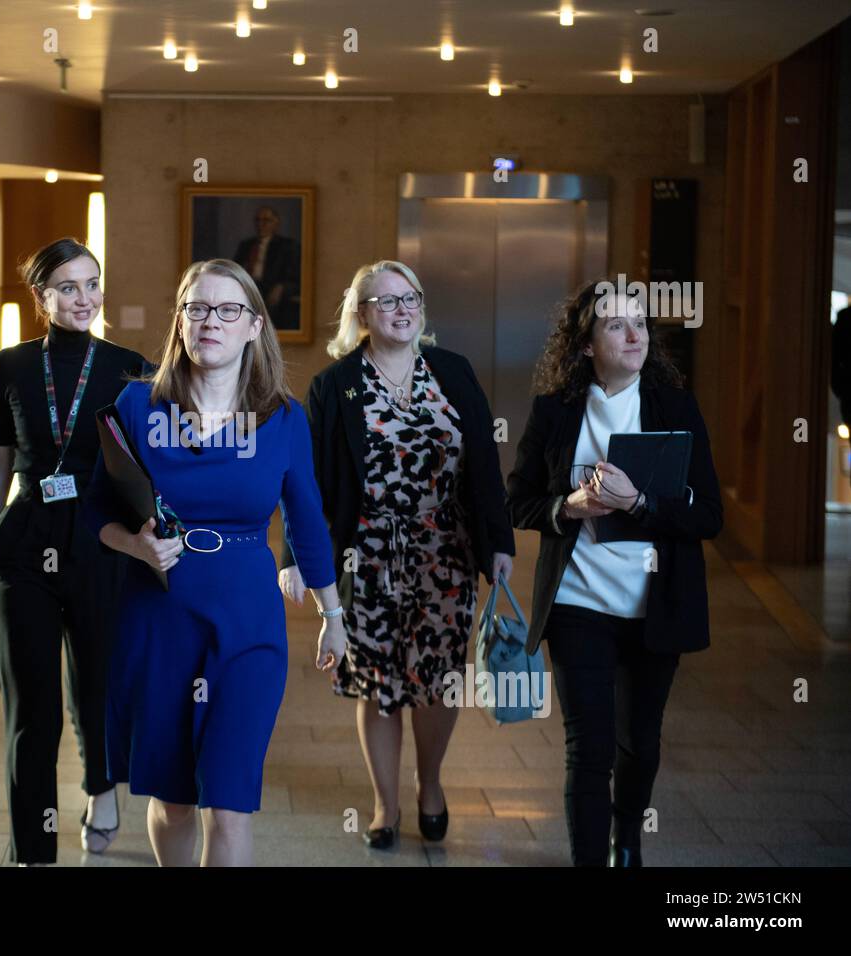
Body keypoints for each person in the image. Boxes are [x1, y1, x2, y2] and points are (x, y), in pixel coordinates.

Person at [84, 258, 346, 867]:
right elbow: (95, 510)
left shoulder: (283, 417)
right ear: (179, 320)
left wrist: (334, 613)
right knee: (174, 800)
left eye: (228, 310)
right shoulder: (136, 405)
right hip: (158, 613)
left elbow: (307, 521)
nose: (210, 322)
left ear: (254, 326)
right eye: (196, 307)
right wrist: (135, 545)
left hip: (248, 620)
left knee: (228, 803)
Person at [278, 260, 514, 848]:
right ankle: (384, 804)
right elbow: (309, 484)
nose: (402, 309)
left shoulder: (453, 373)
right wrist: (297, 559)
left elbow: (485, 465)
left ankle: (429, 784)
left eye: (410, 298)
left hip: (448, 555)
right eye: (386, 302)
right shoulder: (336, 386)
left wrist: (500, 543)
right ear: (361, 314)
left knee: (437, 681)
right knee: (377, 681)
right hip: (368, 557)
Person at [506, 278, 722, 867]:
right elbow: (518, 500)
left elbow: (709, 515)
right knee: (588, 750)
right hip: (578, 601)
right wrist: (568, 507)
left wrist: (639, 504)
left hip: (655, 606)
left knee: (640, 745)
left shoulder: (676, 408)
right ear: (584, 345)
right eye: (615, 325)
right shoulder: (555, 411)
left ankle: (626, 835)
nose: (634, 335)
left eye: (640, 324)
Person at [0, 238, 146, 865]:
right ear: (43, 297)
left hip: (104, 542)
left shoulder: (130, 367)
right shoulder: (13, 365)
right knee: (31, 707)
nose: (85, 298)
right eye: (69, 287)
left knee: (96, 685)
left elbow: (144, 467)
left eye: (93, 284)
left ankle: (101, 786)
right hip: (24, 543)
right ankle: (33, 852)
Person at [232, 206, 300, 331]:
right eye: (258, 220)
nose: (261, 224)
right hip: (250, 287)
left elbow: (295, 276)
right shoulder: (246, 245)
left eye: (266, 220)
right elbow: (234, 270)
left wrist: (281, 287)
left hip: (273, 289)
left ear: (276, 224)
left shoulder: (288, 246)